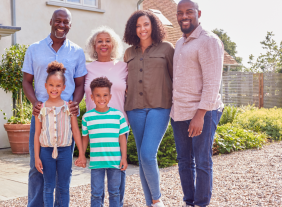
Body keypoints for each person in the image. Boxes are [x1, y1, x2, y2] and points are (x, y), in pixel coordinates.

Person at [22, 8, 87, 207]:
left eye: (66, 22)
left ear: (70, 25)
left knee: (63, 169)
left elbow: (80, 84)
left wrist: (75, 102)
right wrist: (35, 103)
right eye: (58, 21)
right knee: (37, 166)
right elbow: (26, 81)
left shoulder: (77, 51)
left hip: (66, 116)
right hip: (42, 115)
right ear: (51, 21)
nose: (61, 25)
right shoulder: (34, 49)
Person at [172, 1, 224, 207]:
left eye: (189, 12)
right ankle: (189, 201)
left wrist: (200, 114)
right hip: (179, 112)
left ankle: (201, 203)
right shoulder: (179, 43)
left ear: (198, 14)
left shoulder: (208, 41)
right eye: (180, 13)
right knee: (184, 161)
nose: (184, 16)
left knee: (202, 161)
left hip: (203, 111)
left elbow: (212, 82)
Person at [123, 10, 175, 207]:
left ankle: (157, 199)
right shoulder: (129, 53)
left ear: (153, 25)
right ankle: (150, 203)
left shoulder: (167, 49)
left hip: (159, 107)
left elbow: (175, 77)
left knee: (147, 154)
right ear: (132, 29)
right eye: (137, 26)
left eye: (145, 24)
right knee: (144, 159)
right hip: (134, 108)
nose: (142, 29)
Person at [83, 25, 129, 206]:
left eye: (108, 41)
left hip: (118, 125)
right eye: (99, 41)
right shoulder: (86, 68)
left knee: (117, 178)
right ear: (94, 46)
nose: (104, 44)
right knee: (97, 184)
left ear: (114, 44)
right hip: (95, 127)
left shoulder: (124, 67)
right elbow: (77, 91)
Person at [34, 61, 87, 207]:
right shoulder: (41, 108)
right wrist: (36, 157)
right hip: (46, 152)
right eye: (51, 85)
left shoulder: (69, 107)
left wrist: (81, 154)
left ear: (64, 87)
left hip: (65, 151)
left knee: (63, 186)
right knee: (48, 186)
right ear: (45, 86)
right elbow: (37, 134)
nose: (54, 88)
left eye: (58, 85)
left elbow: (76, 131)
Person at [81, 77, 129, 207]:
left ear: (110, 96)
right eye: (98, 95)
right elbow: (85, 137)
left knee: (114, 192)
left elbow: (122, 138)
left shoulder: (118, 115)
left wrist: (124, 157)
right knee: (96, 193)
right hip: (96, 163)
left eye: (105, 95)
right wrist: (81, 155)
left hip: (115, 162)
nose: (102, 99)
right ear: (91, 97)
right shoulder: (87, 117)